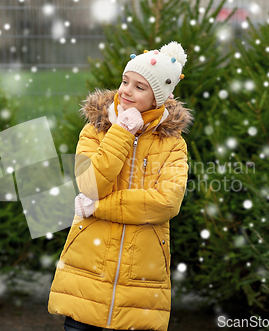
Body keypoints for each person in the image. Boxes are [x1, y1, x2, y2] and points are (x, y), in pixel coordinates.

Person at [48, 41, 194, 331]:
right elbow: (90, 185)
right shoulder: (96, 129)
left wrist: (99, 207)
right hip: (87, 267)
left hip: (140, 276)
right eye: (126, 81)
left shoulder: (173, 144)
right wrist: (121, 132)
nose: (126, 90)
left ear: (159, 97)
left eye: (140, 87)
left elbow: (166, 202)